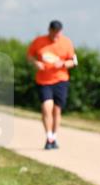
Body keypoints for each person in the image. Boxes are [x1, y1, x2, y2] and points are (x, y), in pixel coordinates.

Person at [27, 20, 77, 150]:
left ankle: (54, 137)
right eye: (53, 33)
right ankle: (48, 137)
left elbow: (73, 61)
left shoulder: (67, 42)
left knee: (56, 110)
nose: (56, 36)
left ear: (61, 32)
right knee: (46, 107)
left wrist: (64, 64)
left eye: (58, 33)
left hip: (61, 80)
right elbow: (30, 56)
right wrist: (36, 63)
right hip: (44, 81)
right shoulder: (39, 41)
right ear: (49, 30)